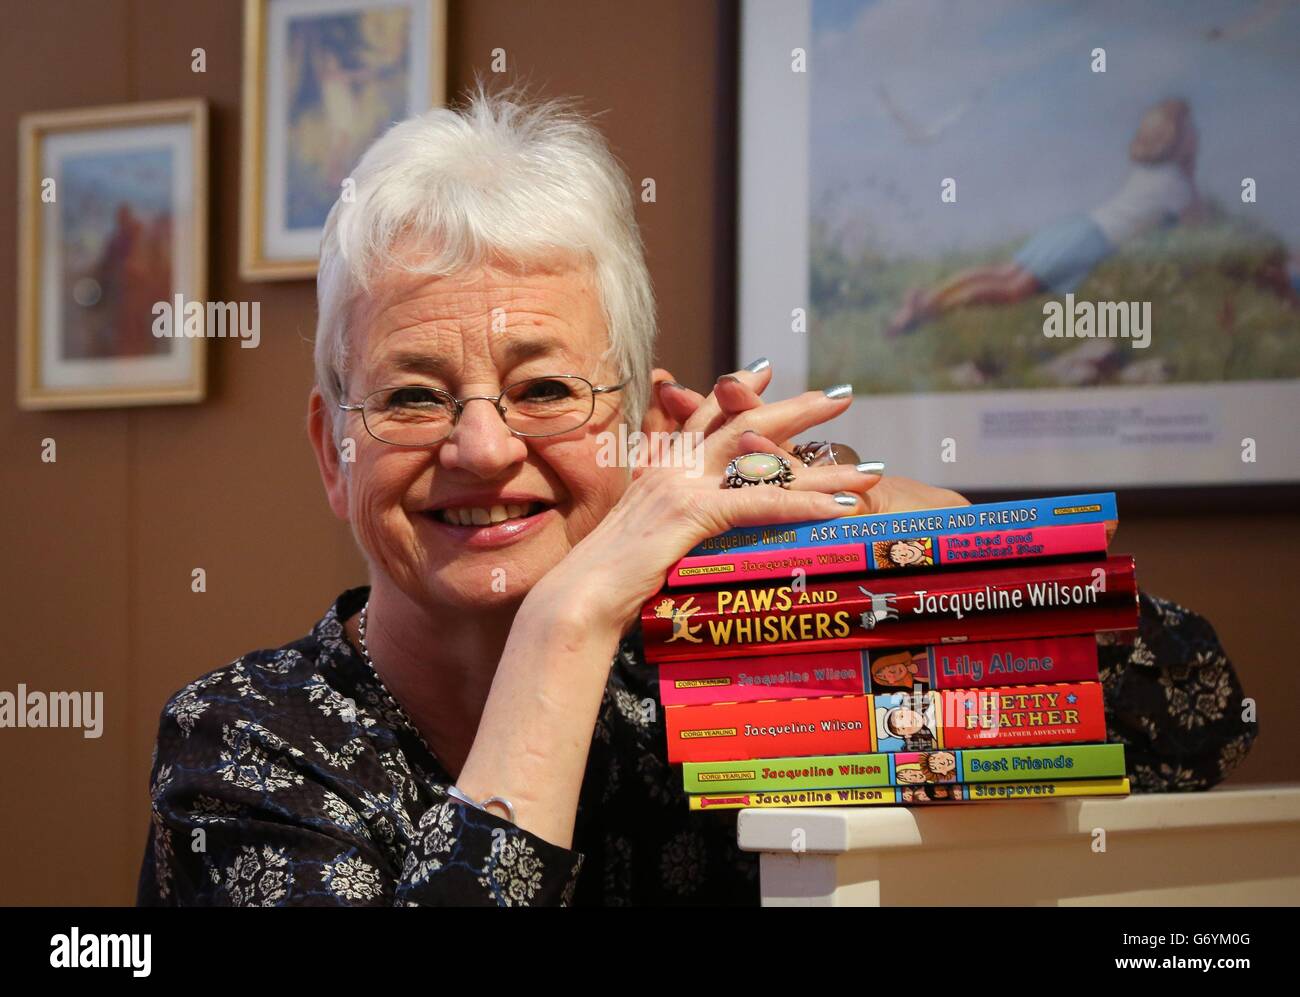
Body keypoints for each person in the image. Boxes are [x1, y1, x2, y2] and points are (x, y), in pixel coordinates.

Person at [136, 87, 1254, 907]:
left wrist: (875, 524)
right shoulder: (242, 739)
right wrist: (573, 616)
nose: (482, 447)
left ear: (633, 435)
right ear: (333, 449)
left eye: (544, 388)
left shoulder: (728, 676)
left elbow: (1198, 717)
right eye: (414, 396)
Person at [888, 98, 1201, 336]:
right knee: (1013, 290)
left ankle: (929, 296)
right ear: (1180, 140)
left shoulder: (1149, 170)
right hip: (1090, 240)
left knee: (1003, 272)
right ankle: (930, 309)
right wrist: (1190, 165)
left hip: (1076, 226)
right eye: (1190, 133)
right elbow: (1196, 222)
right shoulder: (1176, 184)